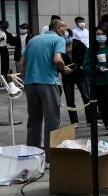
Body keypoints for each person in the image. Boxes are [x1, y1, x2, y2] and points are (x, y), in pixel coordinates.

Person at [20, 19, 70, 148]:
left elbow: (22, 63)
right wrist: (64, 69)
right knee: (52, 120)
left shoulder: (33, 39)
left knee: (34, 120)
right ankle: (50, 155)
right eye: (64, 29)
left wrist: (26, 79)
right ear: (58, 29)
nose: (66, 32)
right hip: (48, 83)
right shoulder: (59, 40)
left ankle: (32, 152)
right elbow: (58, 59)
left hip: (30, 84)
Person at [60, 34, 90, 124]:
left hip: (80, 74)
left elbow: (86, 56)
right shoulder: (58, 46)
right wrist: (62, 70)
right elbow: (55, 61)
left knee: (86, 97)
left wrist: (81, 67)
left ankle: (90, 119)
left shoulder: (78, 44)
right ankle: (74, 122)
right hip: (67, 75)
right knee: (69, 99)